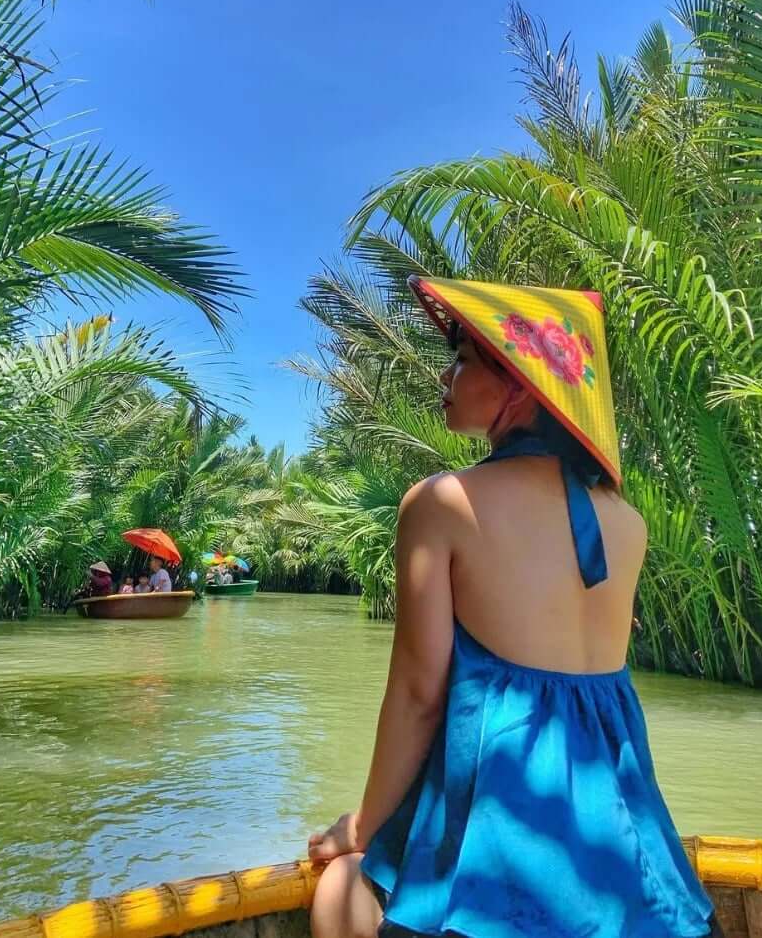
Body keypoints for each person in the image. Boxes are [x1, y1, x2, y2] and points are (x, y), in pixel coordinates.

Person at [308, 276, 719, 938]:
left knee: (339, 888)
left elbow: (418, 695)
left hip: (501, 854)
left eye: (463, 358)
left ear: (522, 387)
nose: (445, 375)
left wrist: (362, 830)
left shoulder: (441, 504)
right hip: (627, 869)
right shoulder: (629, 524)